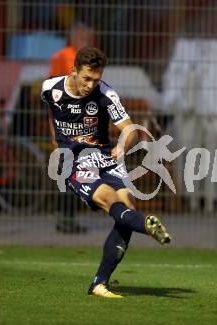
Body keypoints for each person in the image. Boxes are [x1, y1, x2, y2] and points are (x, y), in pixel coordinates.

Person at [41, 46, 172, 298]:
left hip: (106, 157)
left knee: (126, 211)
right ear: (74, 71)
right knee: (110, 200)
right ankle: (148, 226)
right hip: (74, 161)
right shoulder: (50, 89)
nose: (91, 85)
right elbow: (51, 111)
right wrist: (56, 143)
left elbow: (130, 129)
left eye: (96, 79)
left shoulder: (106, 94)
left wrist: (122, 146)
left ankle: (99, 283)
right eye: (86, 78)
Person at [48, 23, 95, 233]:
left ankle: (67, 217)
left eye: (89, 39)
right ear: (74, 38)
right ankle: (64, 218)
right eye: (85, 38)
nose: (88, 42)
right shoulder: (65, 57)